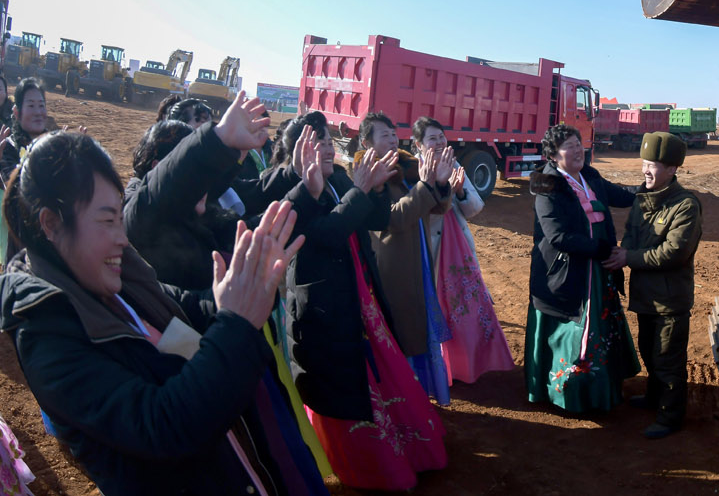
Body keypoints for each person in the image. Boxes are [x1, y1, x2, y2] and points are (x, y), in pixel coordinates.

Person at [0, 130, 323, 496]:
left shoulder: (119, 282)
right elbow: (162, 426)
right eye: (107, 221)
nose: (122, 237)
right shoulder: (46, 340)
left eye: (119, 218)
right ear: (52, 224)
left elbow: (185, 307)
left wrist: (236, 294)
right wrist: (235, 323)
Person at [281, 113, 448, 490]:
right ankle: (369, 467)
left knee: (381, 373)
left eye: (326, 140)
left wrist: (374, 189)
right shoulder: (294, 192)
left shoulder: (340, 177)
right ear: (295, 151)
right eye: (315, 140)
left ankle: (404, 449)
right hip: (326, 304)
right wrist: (362, 189)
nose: (325, 146)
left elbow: (375, 218)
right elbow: (326, 234)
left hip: (360, 294)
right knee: (346, 385)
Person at [525, 124, 639, 412]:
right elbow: (557, 236)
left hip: (597, 270)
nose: (577, 150)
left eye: (578, 143)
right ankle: (572, 395)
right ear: (553, 155)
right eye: (568, 146)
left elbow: (621, 195)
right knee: (574, 332)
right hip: (568, 272)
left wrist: (650, 187)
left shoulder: (589, 175)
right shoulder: (547, 185)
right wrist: (602, 249)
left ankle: (602, 389)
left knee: (599, 327)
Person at [603, 131, 702, 439]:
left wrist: (629, 256)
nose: (646, 170)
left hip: (670, 300)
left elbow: (674, 252)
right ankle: (656, 398)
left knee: (668, 358)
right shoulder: (643, 199)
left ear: (672, 169)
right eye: (644, 163)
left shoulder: (685, 205)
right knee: (649, 349)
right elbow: (631, 233)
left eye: (654, 165)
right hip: (647, 296)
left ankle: (670, 416)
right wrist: (625, 251)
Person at [355, 111, 455, 403]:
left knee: (416, 326)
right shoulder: (368, 174)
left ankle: (418, 397)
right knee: (399, 330)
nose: (391, 138)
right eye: (383, 134)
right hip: (394, 265)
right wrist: (426, 187)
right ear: (366, 141)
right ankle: (402, 400)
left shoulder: (406, 167)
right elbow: (394, 219)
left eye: (392, 133)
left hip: (417, 258)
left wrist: (441, 184)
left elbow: (436, 208)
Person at [123, 93, 272, 290]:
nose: (203, 183)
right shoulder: (143, 216)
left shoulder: (199, 212)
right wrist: (219, 139)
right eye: (199, 120)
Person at [412, 116, 514, 386]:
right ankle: (438, 367)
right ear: (418, 144)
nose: (438, 142)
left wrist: (458, 192)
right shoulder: (413, 170)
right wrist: (439, 189)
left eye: (441, 137)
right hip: (427, 250)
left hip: (457, 247)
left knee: (462, 304)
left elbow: (474, 208)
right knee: (433, 304)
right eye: (431, 138)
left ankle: (464, 364)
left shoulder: (455, 165)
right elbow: (415, 215)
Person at [0, 80, 47, 185]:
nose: (38, 112)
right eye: (31, 106)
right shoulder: (7, 147)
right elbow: (16, 188)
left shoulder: (54, 145)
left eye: (41, 105)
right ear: (16, 112)